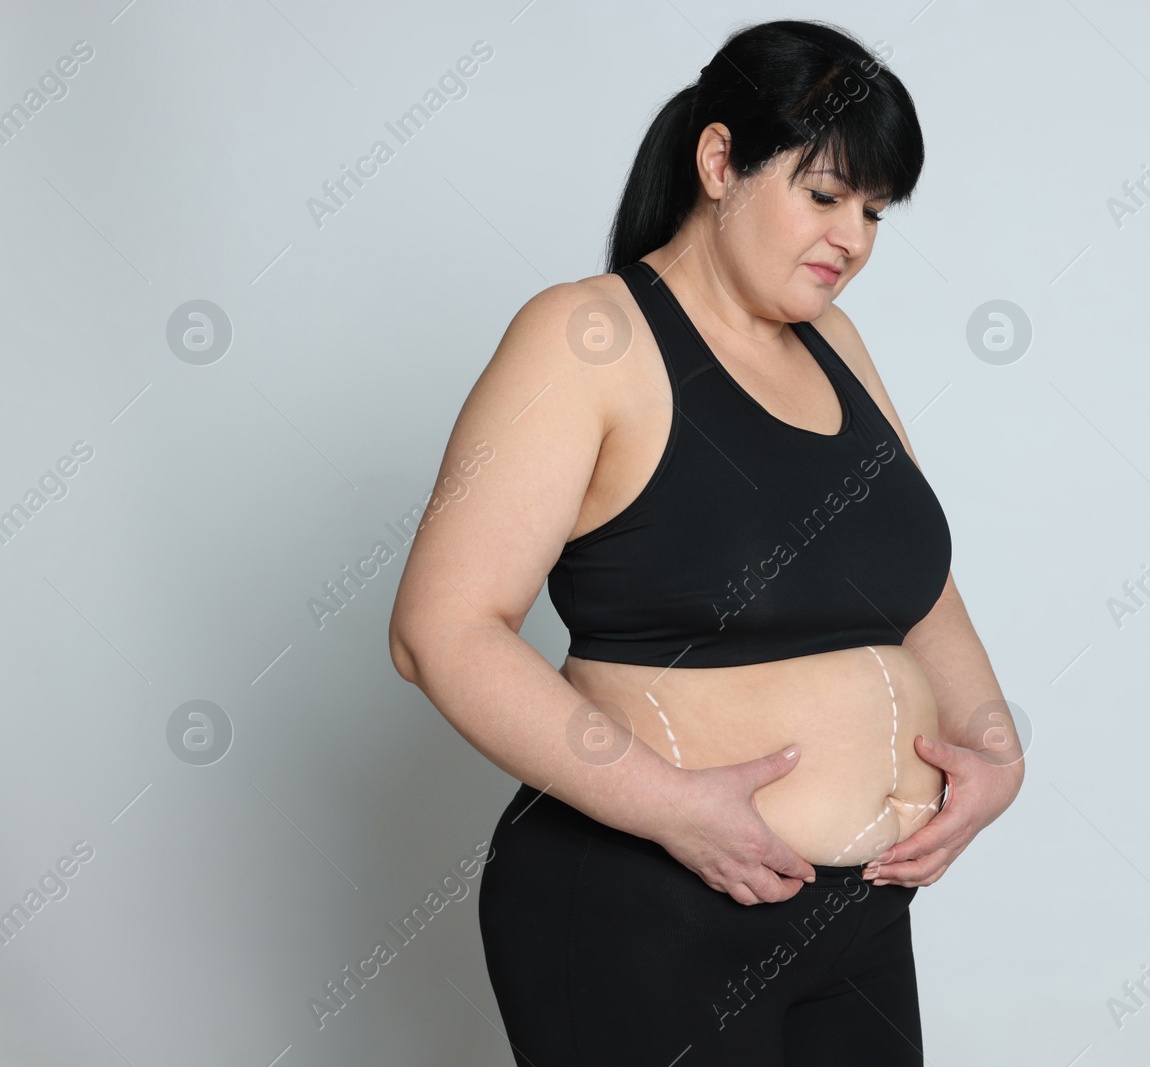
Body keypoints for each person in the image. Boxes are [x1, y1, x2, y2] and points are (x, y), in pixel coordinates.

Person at [388, 18, 1023, 1065]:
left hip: (854, 918)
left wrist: (990, 745)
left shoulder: (834, 345)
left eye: (874, 210)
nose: (853, 238)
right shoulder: (587, 337)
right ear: (720, 160)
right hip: (646, 910)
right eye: (824, 196)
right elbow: (440, 630)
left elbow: (914, 583)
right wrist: (671, 805)